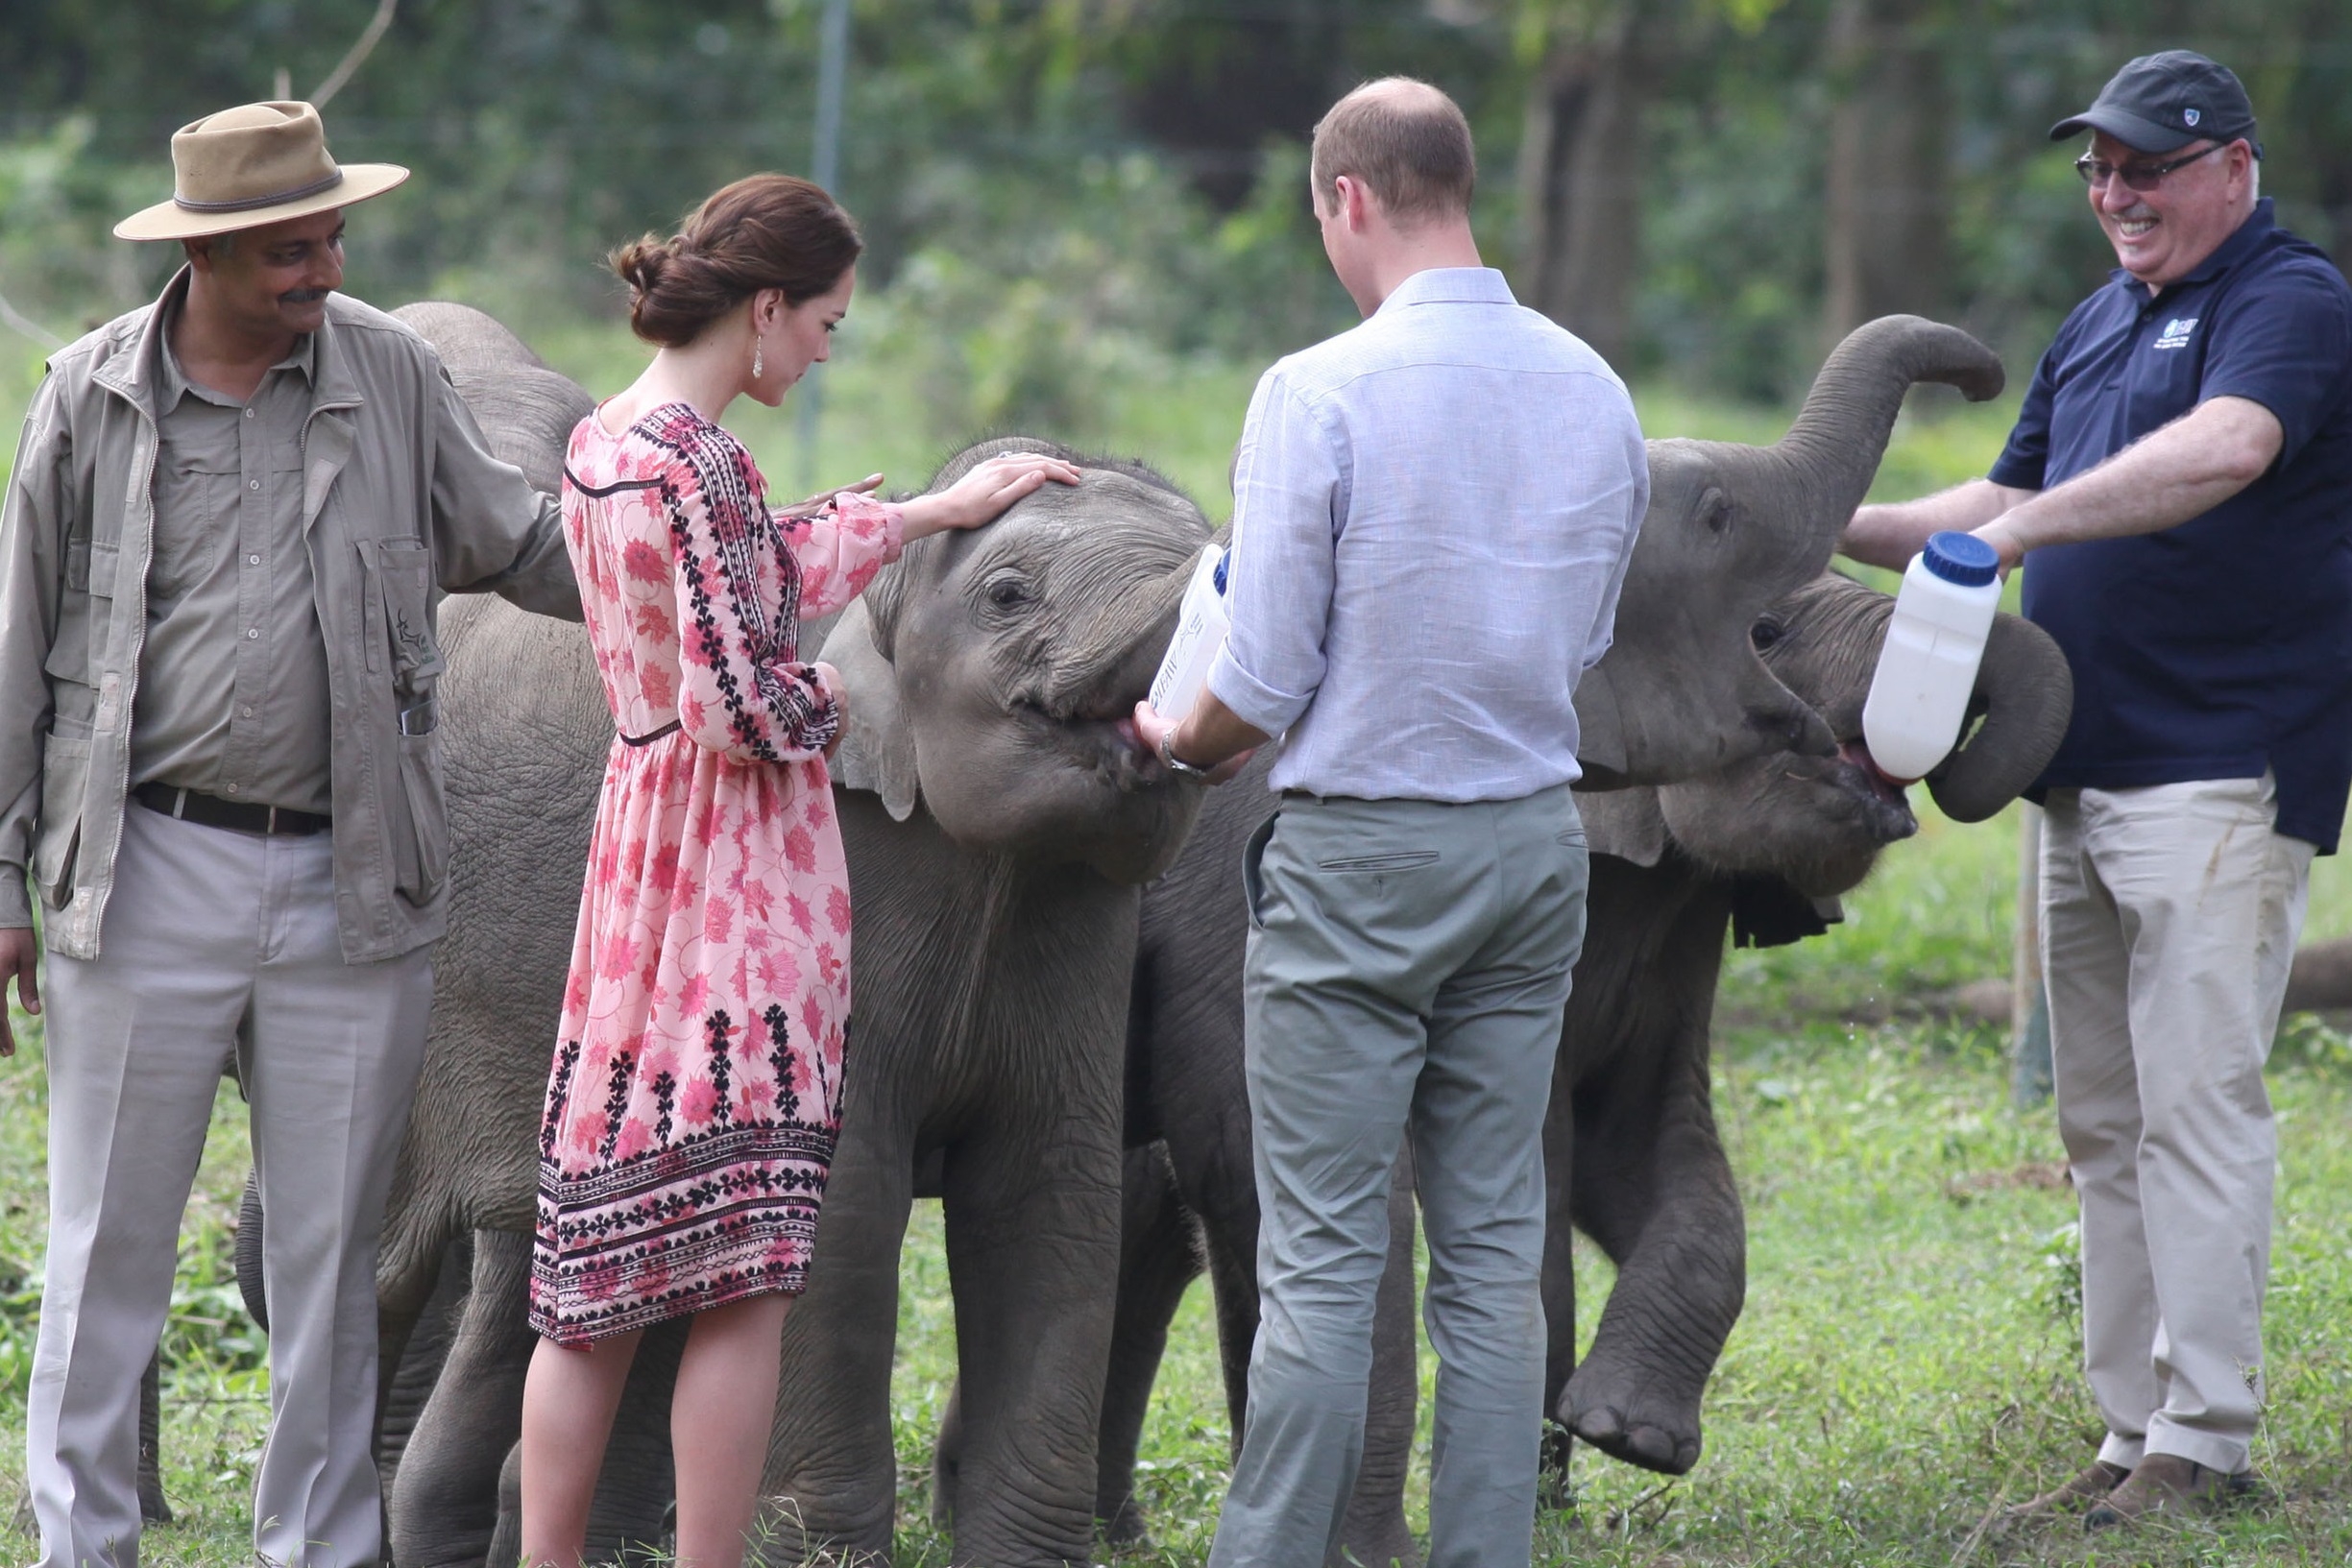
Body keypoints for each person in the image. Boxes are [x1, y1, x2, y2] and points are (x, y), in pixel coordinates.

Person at [0, 101, 584, 1568]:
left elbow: (528, 548)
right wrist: (3, 876)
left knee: (334, 1265)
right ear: (207, 252)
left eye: (333, 237)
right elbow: (18, 644)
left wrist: (729, 565)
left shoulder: (389, 373)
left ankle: (319, 1551)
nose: (326, 267)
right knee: (106, 1254)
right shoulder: (88, 396)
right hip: (142, 868)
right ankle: (84, 1547)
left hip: (353, 878)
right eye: (291, 248)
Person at [515, 174, 1078, 1568]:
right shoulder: (696, 463)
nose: (826, 346)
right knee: (745, 1280)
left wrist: (934, 512)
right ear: (765, 308)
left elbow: (744, 577)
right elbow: (739, 701)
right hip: (730, 896)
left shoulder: (605, 442)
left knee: (593, 1280)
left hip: (637, 875)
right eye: (821, 320)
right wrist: (850, 703)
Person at [1131, 78, 1646, 1568]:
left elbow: (1265, 668)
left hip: (1360, 858)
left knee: (1322, 1262)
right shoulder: (1593, 388)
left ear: (1347, 197)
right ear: (1457, 186)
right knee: (1494, 1252)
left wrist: (1180, 733)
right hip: (1534, 849)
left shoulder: (1319, 389)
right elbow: (1590, 630)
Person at [1842, 51, 2352, 1527]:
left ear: (2232, 169)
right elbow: (1996, 500)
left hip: (2217, 766)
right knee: (2102, 1119)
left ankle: (2208, 1436)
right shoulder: (2096, 319)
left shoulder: (2289, 303)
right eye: (2096, 170)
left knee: (2195, 1104)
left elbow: (2228, 447)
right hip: (2080, 775)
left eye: (2146, 165)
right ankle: (2133, 1436)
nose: (2114, 193)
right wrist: (1826, 518)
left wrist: (2020, 541)